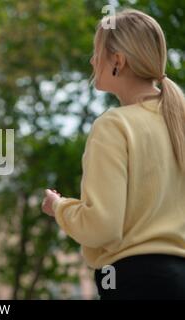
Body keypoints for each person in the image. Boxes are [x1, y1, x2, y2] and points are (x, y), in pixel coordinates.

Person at [42, 9, 185, 300]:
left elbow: (103, 228)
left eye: (97, 52)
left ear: (117, 61)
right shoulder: (179, 119)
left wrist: (59, 207)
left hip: (133, 281)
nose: (93, 60)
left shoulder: (114, 125)